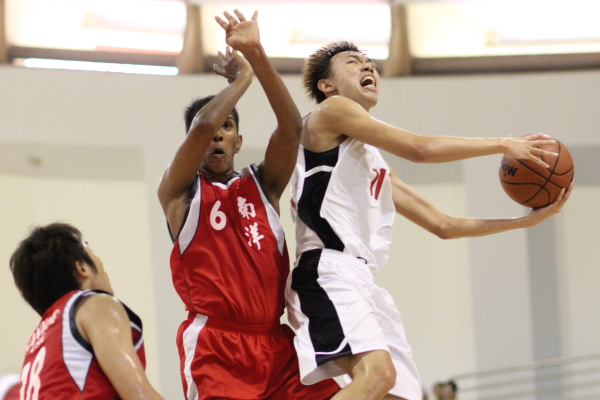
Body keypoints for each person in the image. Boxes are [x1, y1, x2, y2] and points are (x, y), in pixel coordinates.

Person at [284, 41, 573, 400]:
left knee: (399, 394)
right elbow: (420, 149)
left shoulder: (370, 160)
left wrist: (522, 222)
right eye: (354, 62)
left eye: (371, 63)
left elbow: (442, 224)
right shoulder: (331, 110)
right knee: (377, 376)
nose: (368, 67)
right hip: (327, 272)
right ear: (327, 85)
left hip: (360, 281)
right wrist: (502, 144)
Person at [157, 10, 339, 400]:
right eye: (212, 130)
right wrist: (242, 80)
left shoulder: (263, 185)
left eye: (228, 129)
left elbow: (292, 128)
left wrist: (257, 57)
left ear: (239, 142)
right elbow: (203, 125)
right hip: (216, 346)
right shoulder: (178, 192)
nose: (217, 136)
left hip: (275, 343)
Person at [9, 223, 164, 400]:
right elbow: (139, 395)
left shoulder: (38, 341)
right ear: (82, 268)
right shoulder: (96, 305)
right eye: (91, 252)